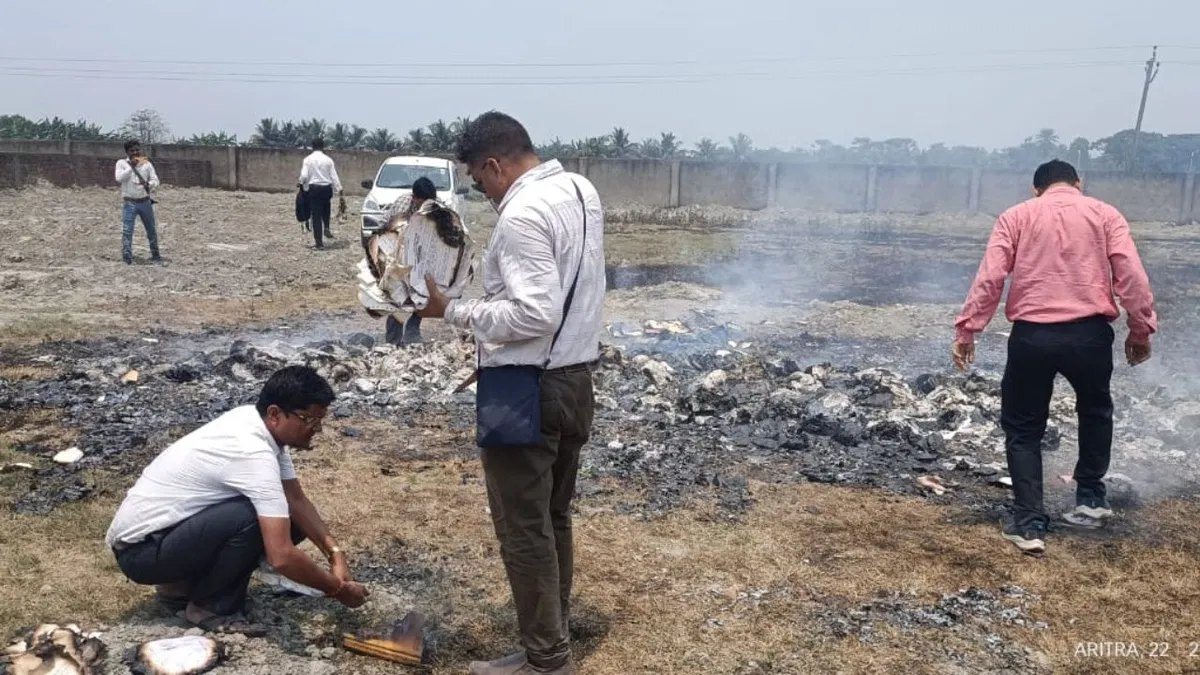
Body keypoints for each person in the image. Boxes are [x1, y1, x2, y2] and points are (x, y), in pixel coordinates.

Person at [419, 111, 605, 675]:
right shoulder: (579, 188)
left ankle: (546, 660)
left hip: (530, 389)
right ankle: (553, 635)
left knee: (523, 529)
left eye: (478, 178)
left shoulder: (521, 214)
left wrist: (452, 310)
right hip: (574, 379)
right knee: (553, 518)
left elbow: (535, 311)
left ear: (495, 164)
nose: (480, 189)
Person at [952, 159, 1157, 555]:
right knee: (1096, 411)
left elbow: (991, 277)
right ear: (1079, 183)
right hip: (1090, 335)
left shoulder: (1016, 216)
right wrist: (1140, 328)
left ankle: (1029, 524)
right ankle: (1091, 500)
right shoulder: (1105, 214)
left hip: (1033, 337)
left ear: (1036, 189)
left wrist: (967, 329)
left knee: (1024, 428)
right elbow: (1131, 274)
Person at [104, 366, 369, 635]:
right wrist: (337, 589)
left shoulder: (257, 425)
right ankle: (211, 606)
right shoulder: (251, 451)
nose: (317, 430)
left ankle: (180, 587)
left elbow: (296, 500)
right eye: (309, 420)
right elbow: (281, 557)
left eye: (318, 421)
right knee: (253, 517)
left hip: (161, 539)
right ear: (275, 413)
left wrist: (336, 555)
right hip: (142, 554)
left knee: (289, 517)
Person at [382, 176, 439, 345]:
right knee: (397, 298)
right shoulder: (401, 204)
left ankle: (413, 329)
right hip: (398, 254)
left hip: (423, 256)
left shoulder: (438, 208)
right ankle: (393, 340)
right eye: (422, 203)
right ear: (414, 198)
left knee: (422, 294)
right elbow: (384, 226)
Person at [115, 140, 162, 265]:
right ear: (127, 152)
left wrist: (149, 184)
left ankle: (156, 256)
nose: (135, 152)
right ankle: (127, 258)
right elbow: (119, 178)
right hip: (129, 202)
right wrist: (131, 167)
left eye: (137, 150)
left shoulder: (146, 164)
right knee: (127, 230)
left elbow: (155, 180)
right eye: (132, 150)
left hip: (145, 202)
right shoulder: (121, 164)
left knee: (151, 229)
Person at [299, 138, 342, 249]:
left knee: (316, 215)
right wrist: (339, 189)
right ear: (323, 147)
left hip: (314, 189)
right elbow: (334, 176)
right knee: (326, 207)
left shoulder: (307, 160)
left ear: (312, 146)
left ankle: (319, 243)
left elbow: (304, 176)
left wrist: (301, 183)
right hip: (327, 189)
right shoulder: (328, 160)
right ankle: (326, 227)